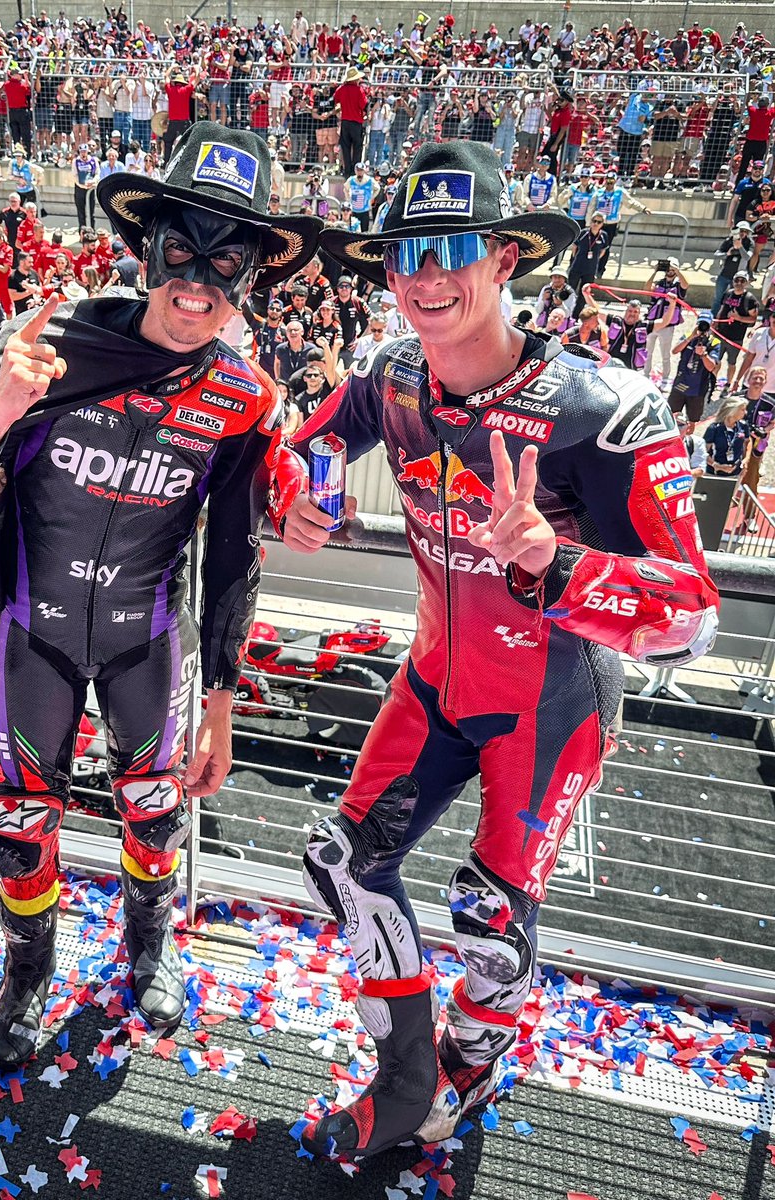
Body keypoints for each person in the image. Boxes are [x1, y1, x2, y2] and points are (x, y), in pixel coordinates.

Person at [272, 141, 718, 1161]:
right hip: (434, 678)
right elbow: (308, 446)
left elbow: (690, 614)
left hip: (550, 699)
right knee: (340, 864)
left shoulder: (606, 412)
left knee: (488, 914)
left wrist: (557, 563)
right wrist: (304, 493)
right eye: (404, 256)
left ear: (507, 258)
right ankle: (409, 1072)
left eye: (454, 248)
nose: (426, 279)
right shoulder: (391, 378)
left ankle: (470, 1054)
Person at [0, 122, 322, 1068]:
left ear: (252, 282)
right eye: (183, 251)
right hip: (30, 636)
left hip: (149, 639)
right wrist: (1, 409)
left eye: (230, 265)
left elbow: (235, 558)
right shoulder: (50, 344)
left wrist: (221, 703)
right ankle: (28, 972)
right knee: (17, 823)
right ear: (147, 248)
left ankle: (149, 947)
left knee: (154, 811)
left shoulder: (246, 397)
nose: (199, 283)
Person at [669, 311, 723, 426]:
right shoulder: (688, 335)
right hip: (680, 384)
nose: (703, 327)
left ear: (711, 325)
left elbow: (711, 367)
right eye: (701, 323)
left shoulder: (714, 342)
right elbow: (674, 351)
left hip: (697, 389)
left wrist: (703, 354)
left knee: (693, 421)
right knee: (670, 416)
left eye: (706, 324)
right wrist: (690, 338)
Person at [714, 273, 759, 395]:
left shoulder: (750, 300)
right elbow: (722, 309)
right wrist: (715, 324)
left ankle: (728, 385)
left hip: (735, 337)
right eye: (737, 280)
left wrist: (738, 318)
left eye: (742, 281)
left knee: (731, 362)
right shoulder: (728, 293)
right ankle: (711, 381)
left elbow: (753, 319)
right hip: (720, 333)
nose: (739, 283)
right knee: (715, 360)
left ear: (746, 283)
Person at [704, 399, 749, 477]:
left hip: (736, 471)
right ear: (732, 410)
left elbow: (748, 441)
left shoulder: (743, 426)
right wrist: (717, 465)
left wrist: (746, 459)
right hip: (715, 473)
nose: (745, 412)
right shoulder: (714, 429)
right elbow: (703, 452)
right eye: (742, 409)